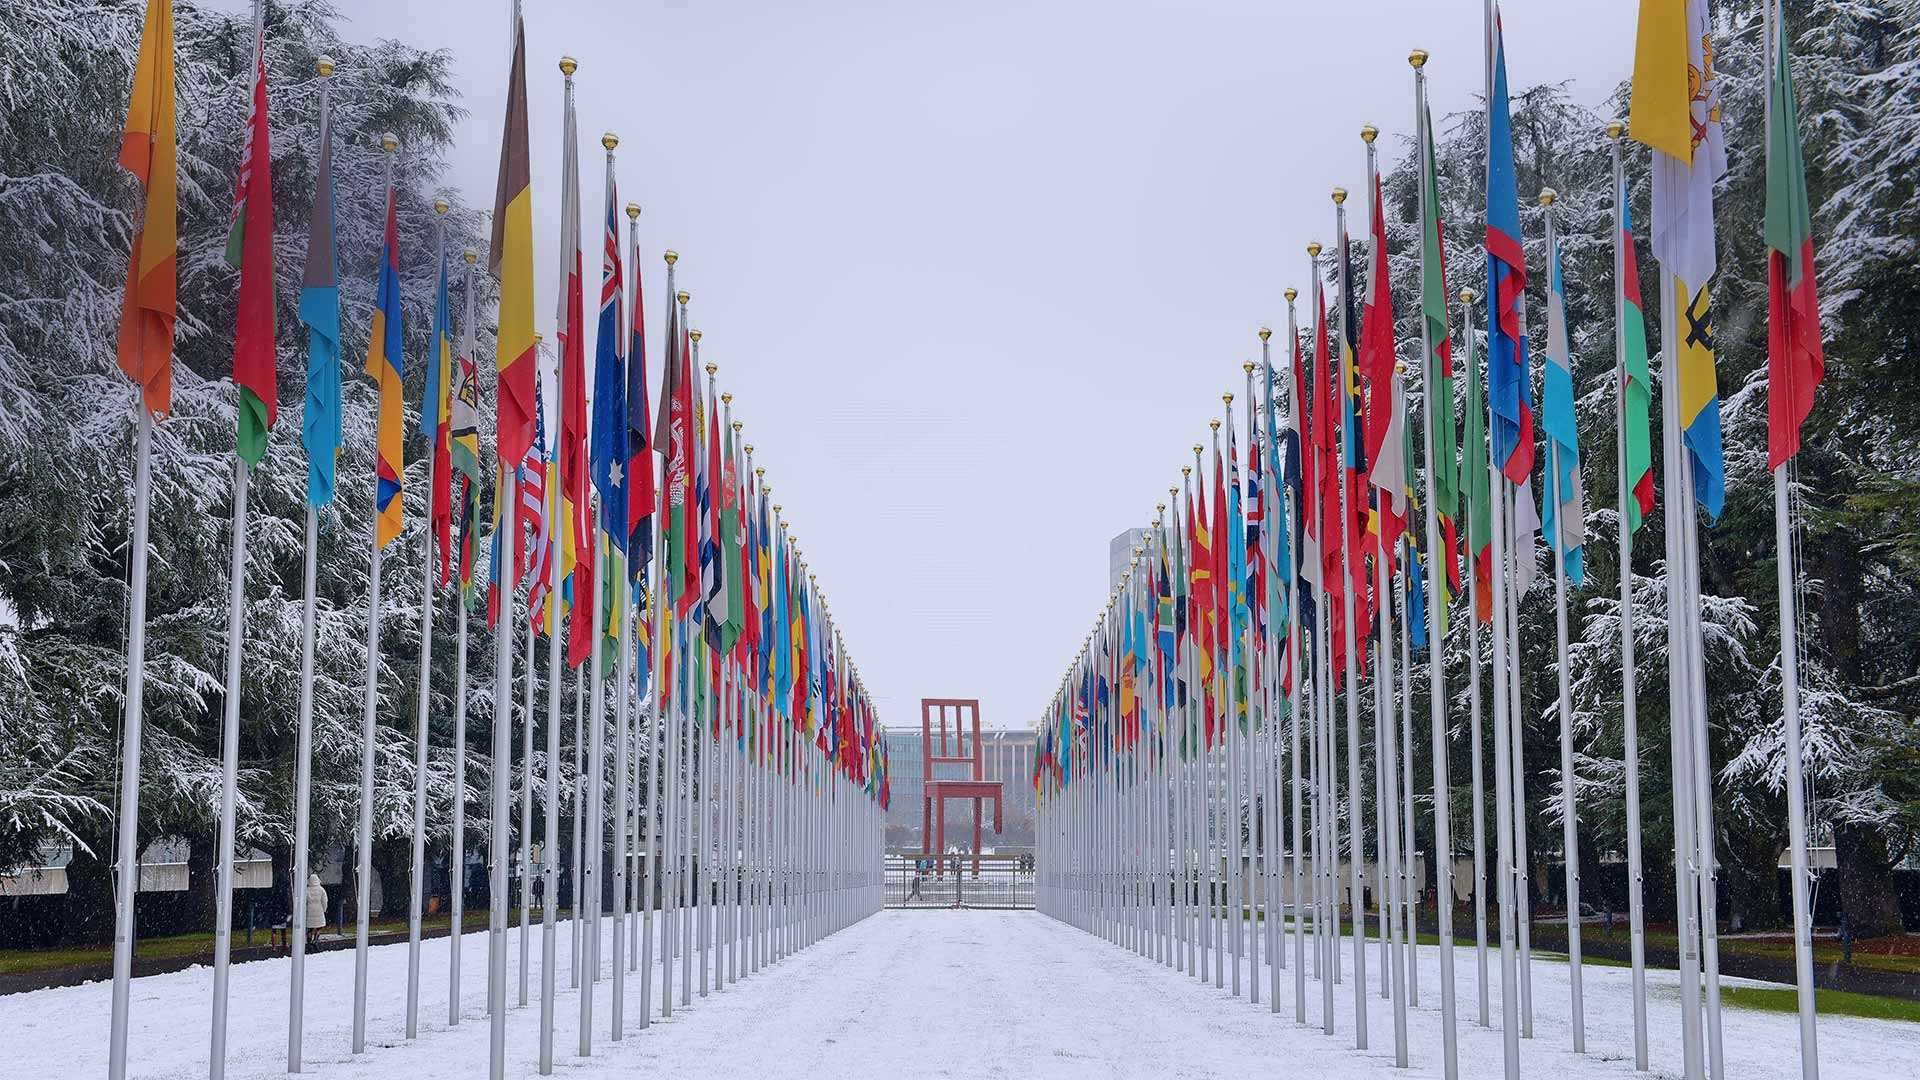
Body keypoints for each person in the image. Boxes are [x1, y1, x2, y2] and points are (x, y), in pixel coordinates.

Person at [304, 873, 327, 946]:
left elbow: (304, 901)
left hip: (309, 911)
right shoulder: (321, 890)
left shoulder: (307, 890)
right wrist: (324, 909)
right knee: (319, 927)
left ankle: (309, 941)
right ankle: (315, 940)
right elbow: (324, 901)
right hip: (319, 910)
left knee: (310, 928)